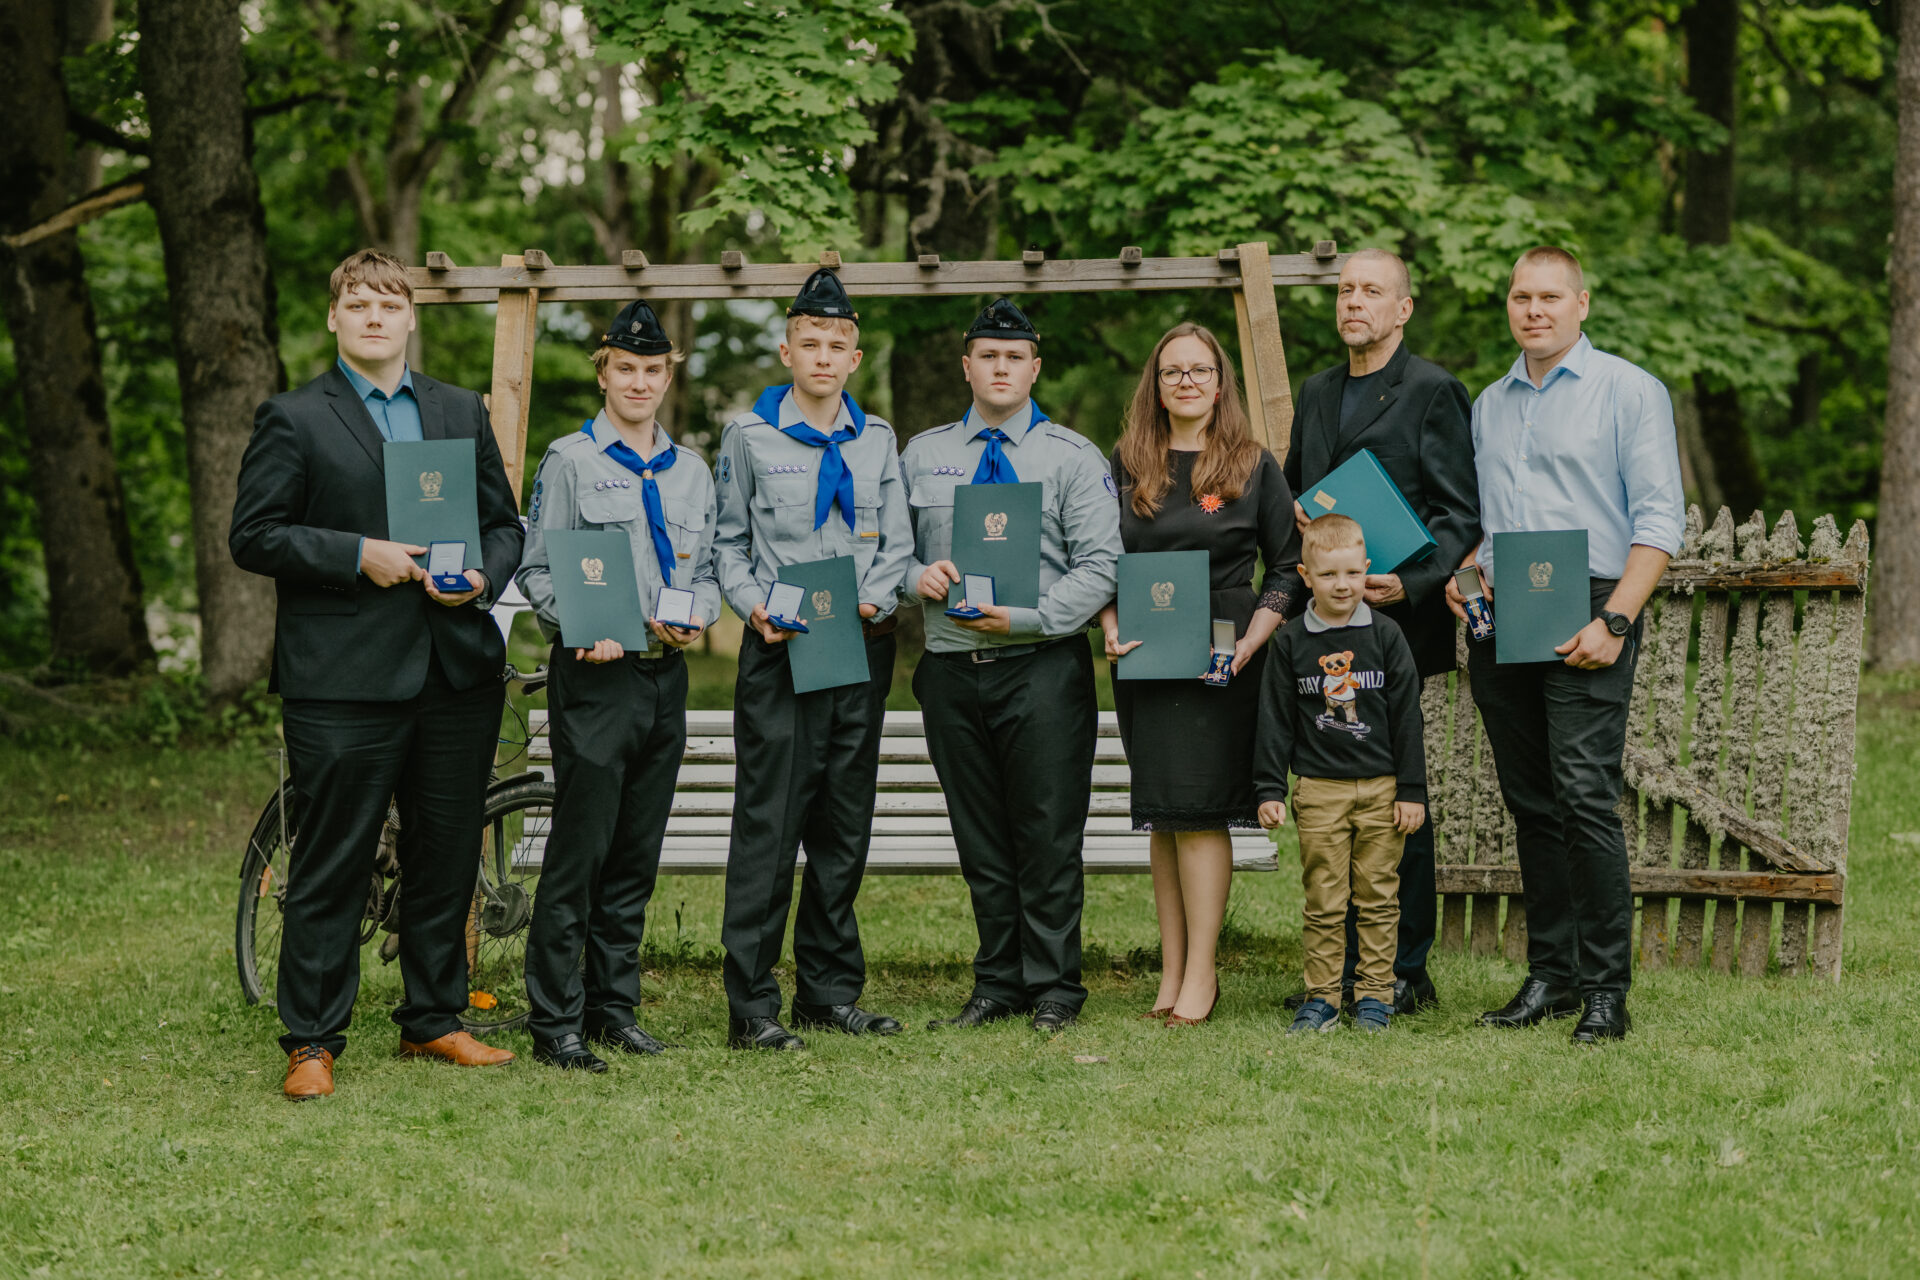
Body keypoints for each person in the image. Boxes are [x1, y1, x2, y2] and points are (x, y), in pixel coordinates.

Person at [230, 249, 524, 1100]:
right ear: (334, 318)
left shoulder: (459, 410)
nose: (373, 317)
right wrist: (359, 553)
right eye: (357, 304)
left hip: (455, 671)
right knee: (335, 858)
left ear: (409, 319)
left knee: (445, 854)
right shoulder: (293, 417)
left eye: (389, 305)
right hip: (343, 677)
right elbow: (255, 534)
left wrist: (481, 576)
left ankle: (432, 1019)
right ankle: (312, 1040)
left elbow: (504, 526)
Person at [1446, 246, 1683, 1044]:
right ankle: (1552, 974)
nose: (1534, 310)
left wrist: (1615, 621)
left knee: (1583, 795)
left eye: (1550, 297)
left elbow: (1659, 521)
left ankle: (1607, 991)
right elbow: (1491, 519)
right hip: (1506, 602)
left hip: (1590, 600)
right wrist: (1467, 574)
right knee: (1532, 800)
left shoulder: (1628, 390)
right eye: (1522, 297)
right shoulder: (1490, 403)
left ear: (1582, 304)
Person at [901, 298, 1123, 1034]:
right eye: (988, 356)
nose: (1001, 368)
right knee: (981, 837)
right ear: (966, 367)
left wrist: (1026, 618)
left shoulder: (1072, 457)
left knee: (1048, 831)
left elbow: (1102, 566)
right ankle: (997, 982)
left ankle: (1055, 986)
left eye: (1015, 357)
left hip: (1042, 668)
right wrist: (916, 576)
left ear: (1035, 369)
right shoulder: (921, 454)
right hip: (951, 668)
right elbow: (888, 554)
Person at [514, 300, 719, 1073]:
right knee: (581, 852)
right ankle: (556, 1020)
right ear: (603, 373)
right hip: (597, 674)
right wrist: (579, 624)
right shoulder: (570, 461)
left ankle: (613, 1009)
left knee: (635, 852)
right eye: (625, 368)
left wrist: (697, 618)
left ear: (668, 377)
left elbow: (704, 574)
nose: (639, 382)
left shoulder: (691, 472)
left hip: (665, 677)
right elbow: (537, 569)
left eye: (652, 370)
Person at [711, 269, 913, 1050]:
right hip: (783, 648)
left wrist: (878, 597)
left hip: (858, 646)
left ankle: (828, 993)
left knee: (842, 825)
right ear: (787, 351)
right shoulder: (748, 436)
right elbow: (729, 544)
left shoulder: (878, 439)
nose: (823, 357)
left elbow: (897, 543)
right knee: (769, 825)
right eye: (810, 343)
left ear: (854, 358)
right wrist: (752, 605)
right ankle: (752, 1004)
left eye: (836, 346)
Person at [1282, 248, 1479, 1016]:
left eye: (1371, 291)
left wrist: (1414, 583)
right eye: (1344, 290)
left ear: (1403, 309)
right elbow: (1300, 491)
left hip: (1397, 628)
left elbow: (1459, 512)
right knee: (1335, 800)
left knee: (1399, 801)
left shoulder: (1432, 390)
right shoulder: (1316, 390)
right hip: (1323, 629)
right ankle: (1337, 973)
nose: (1353, 302)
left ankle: (1404, 970)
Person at [1098, 322, 1300, 1027]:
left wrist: (1251, 641)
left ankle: (1203, 974)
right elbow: (1100, 557)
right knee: (1163, 812)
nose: (1186, 381)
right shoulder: (1127, 462)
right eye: (1172, 371)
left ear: (1220, 385)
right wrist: (1109, 625)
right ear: (1156, 387)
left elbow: (1287, 568)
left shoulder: (1253, 464)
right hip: (1147, 656)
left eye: (1200, 370)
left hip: (1222, 657)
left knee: (1201, 808)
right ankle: (1173, 968)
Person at [1254, 515, 1427, 1035]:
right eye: (1328, 575)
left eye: (1353, 573)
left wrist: (1411, 790)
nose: (1343, 585)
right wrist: (1269, 787)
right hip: (1319, 790)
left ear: (1366, 569)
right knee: (1325, 901)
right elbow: (1275, 719)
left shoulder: (1387, 635)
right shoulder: (1290, 642)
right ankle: (1323, 999)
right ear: (1305, 575)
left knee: (1378, 899)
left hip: (1382, 789)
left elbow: (1407, 718)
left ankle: (1375, 997)